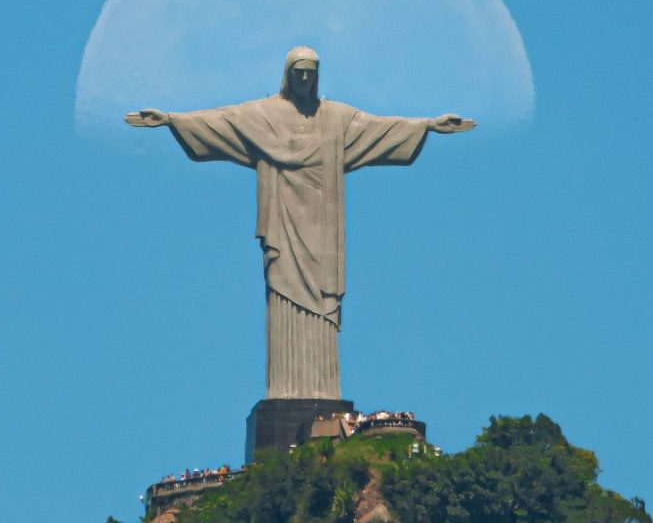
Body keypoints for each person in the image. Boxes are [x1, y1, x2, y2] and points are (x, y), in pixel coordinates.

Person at [126, 46, 474, 400]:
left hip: (323, 231)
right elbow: (221, 121)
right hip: (283, 225)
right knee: (282, 292)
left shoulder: (336, 119)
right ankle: (284, 389)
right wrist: (171, 119)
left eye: (310, 73)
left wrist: (428, 126)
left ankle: (324, 390)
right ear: (288, 75)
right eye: (299, 73)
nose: (305, 80)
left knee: (324, 303)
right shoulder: (263, 116)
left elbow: (379, 129)